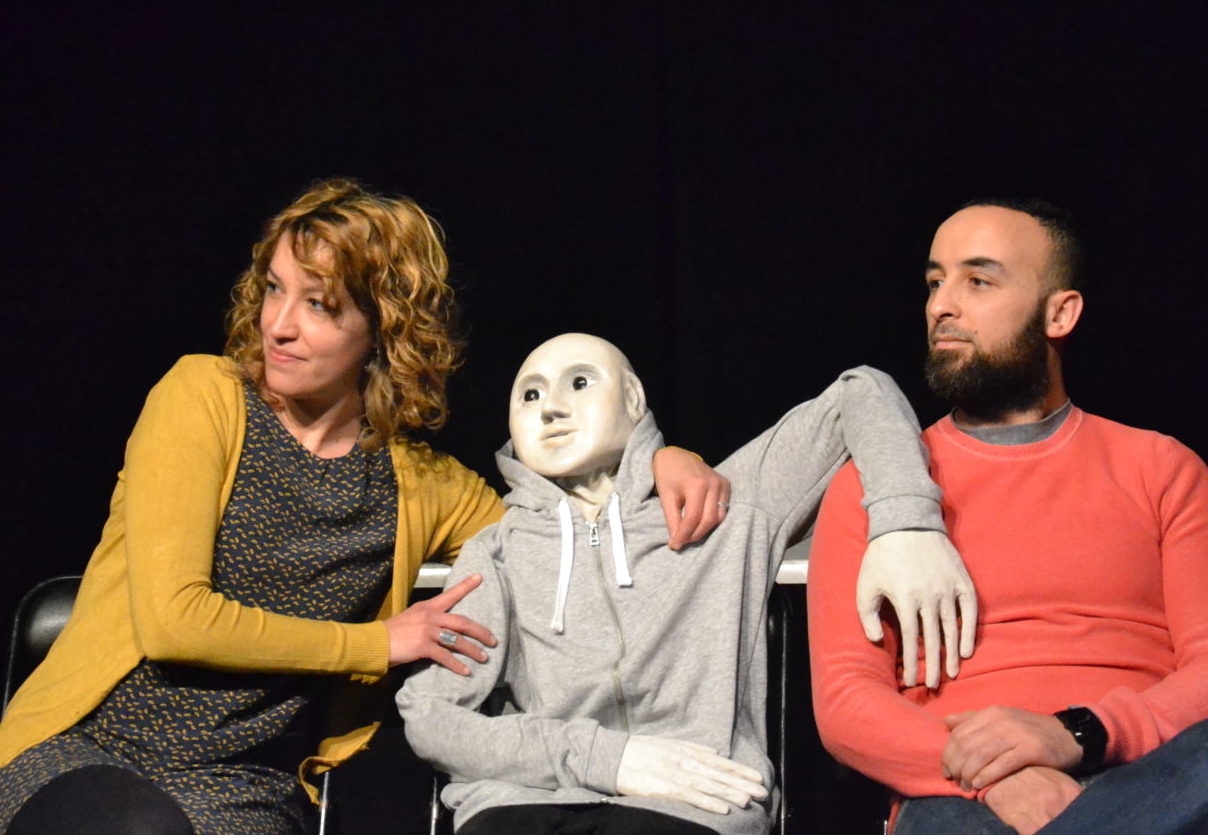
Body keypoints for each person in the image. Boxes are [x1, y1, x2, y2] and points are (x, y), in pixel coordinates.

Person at [0, 180, 735, 835]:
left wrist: (655, 455)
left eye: (320, 304)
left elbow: (558, 525)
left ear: (383, 329)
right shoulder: (201, 397)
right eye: (275, 289)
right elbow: (176, 621)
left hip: (245, 792)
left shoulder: (418, 483)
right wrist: (376, 644)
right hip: (84, 754)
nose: (279, 324)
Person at [808, 199, 1208, 835]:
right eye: (935, 282)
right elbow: (847, 701)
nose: (941, 306)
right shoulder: (875, 489)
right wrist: (994, 777)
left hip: (1151, 777)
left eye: (978, 281)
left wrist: (1075, 735)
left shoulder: (1163, 469)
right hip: (962, 791)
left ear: (1060, 313)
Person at [398, 332, 972, 835]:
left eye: (580, 382)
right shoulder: (497, 550)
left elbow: (858, 394)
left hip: (694, 804)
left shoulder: (723, 507)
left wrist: (906, 523)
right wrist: (610, 759)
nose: (550, 408)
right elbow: (431, 716)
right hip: (525, 805)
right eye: (530, 394)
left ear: (633, 400)